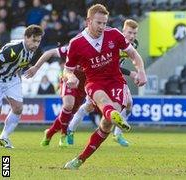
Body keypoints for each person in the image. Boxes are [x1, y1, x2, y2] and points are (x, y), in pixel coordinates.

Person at [62, 4, 146, 169]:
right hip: (94, 82)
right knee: (102, 102)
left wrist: (141, 71)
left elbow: (133, 54)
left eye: (104, 23)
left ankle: (80, 159)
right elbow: (67, 70)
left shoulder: (114, 34)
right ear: (88, 21)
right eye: (98, 23)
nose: (102, 27)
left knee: (106, 124)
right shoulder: (76, 43)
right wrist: (70, 77)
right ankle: (113, 115)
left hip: (116, 81)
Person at [25, 46, 136, 147]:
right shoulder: (74, 47)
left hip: (84, 87)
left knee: (70, 113)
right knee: (68, 105)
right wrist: (36, 67)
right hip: (69, 80)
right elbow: (49, 52)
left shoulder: (99, 53)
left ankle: (49, 133)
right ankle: (64, 135)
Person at [67, 19, 140, 147]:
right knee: (89, 107)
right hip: (98, 78)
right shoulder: (114, 40)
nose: (132, 36)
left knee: (128, 103)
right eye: (129, 32)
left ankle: (117, 134)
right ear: (123, 31)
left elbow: (119, 64)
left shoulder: (133, 45)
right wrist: (131, 73)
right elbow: (109, 64)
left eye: (134, 33)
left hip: (115, 79)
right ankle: (71, 129)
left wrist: (139, 71)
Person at [0, 25, 44, 148]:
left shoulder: (32, 51)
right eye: (34, 40)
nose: (36, 44)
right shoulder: (12, 49)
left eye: (38, 41)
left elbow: (18, 65)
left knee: (18, 108)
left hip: (12, 79)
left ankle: (4, 137)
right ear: (26, 37)